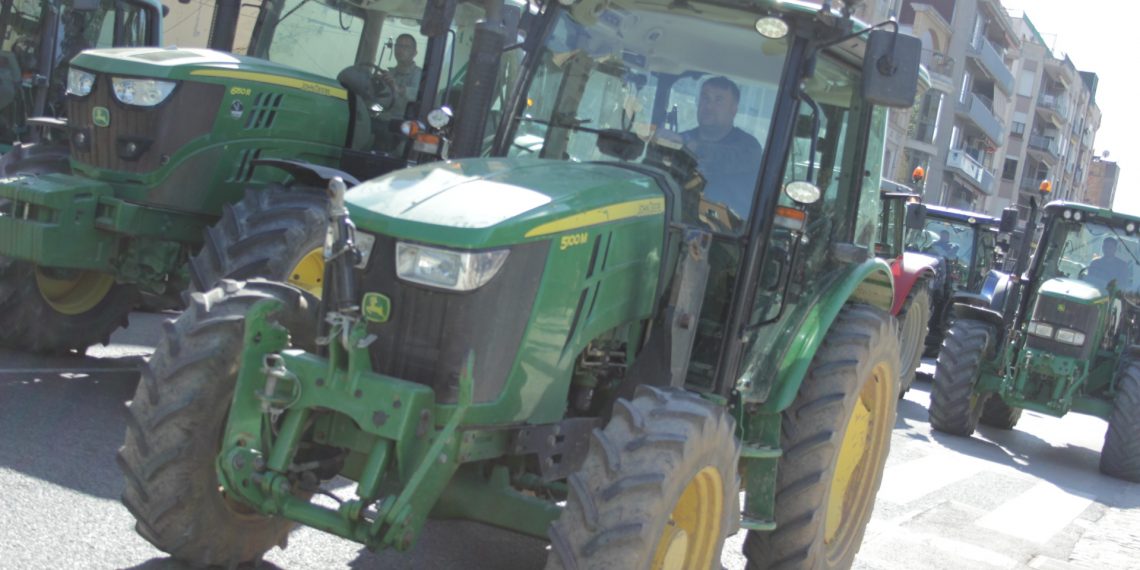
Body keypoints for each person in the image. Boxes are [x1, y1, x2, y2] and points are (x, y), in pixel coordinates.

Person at [663, 76, 763, 219]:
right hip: (675, 219)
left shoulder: (749, 147)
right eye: (705, 98)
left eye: (718, 100)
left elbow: (727, 157)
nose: (709, 106)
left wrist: (692, 148)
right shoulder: (682, 140)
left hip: (728, 228)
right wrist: (659, 144)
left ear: (733, 110)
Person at [377, 34, 423, 117]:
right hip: (383, 117)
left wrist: (399, 90)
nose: (401, 49)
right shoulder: (390, 74)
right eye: (398, 45)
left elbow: (420, 96)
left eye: (406, 47)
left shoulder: (420, 75)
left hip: (405, 121)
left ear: (414, 53)